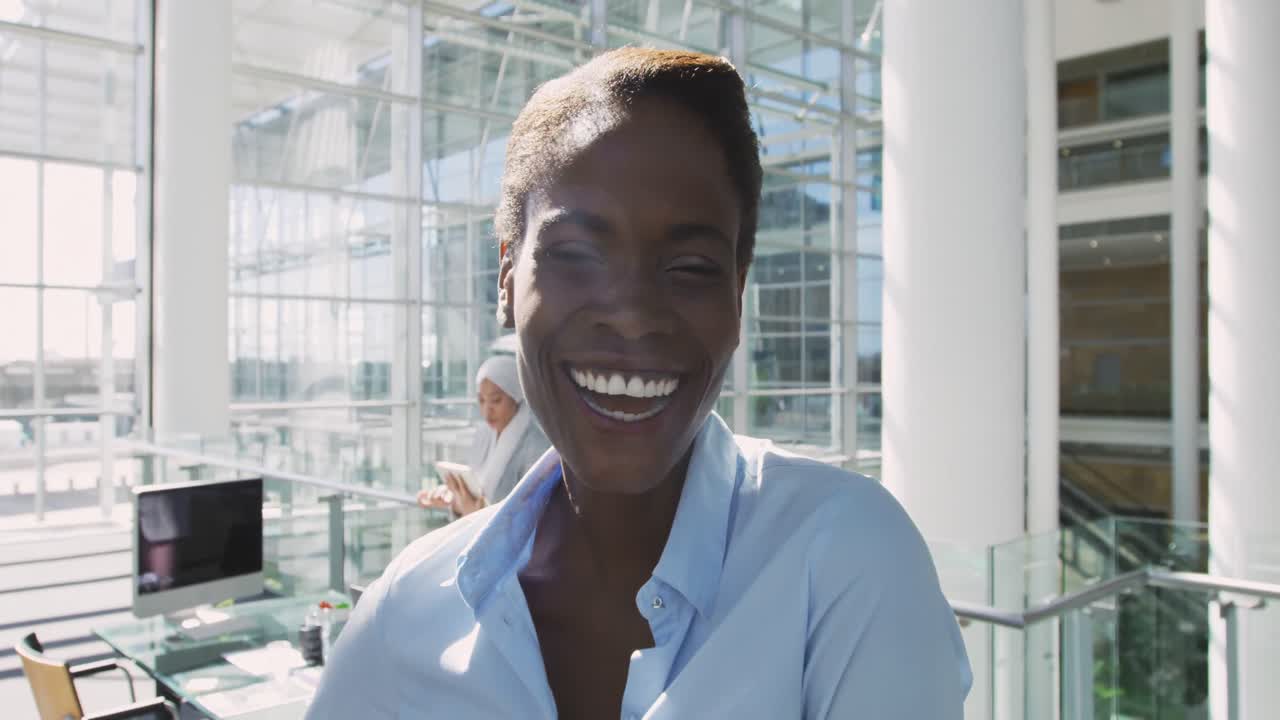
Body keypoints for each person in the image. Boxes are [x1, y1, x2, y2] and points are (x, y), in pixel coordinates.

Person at [308, 48, 970, 719]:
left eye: (690, 266)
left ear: (737, 295)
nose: (632, 315)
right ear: (506, 280)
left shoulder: (842, 562)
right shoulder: (409, 611)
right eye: (575, 253)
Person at [418, 355, 550, 516]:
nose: (487, 410)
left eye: (495, 400)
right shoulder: (485, 436)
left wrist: (475, 512)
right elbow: (477, 496)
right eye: (481, 400)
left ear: (516, 396)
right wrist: (453, 499)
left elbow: (532, 517)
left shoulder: (537, 448)